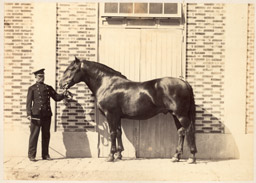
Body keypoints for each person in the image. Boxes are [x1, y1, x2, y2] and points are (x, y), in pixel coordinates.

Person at [26, 68, 66, 161]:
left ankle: (45, 155)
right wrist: (28, 113)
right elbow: (28, 102)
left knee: (46, 135)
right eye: (39, 76)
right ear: (35, 77)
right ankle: (31, 155)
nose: (41, 78)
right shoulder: (32, 88)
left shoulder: (48, 88)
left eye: (43, 76)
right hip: (36, 115)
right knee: (34, 135)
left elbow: (56, 97)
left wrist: (64, 94)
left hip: (47, 115)